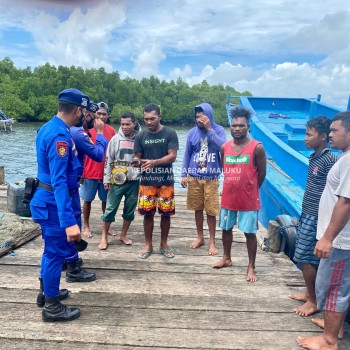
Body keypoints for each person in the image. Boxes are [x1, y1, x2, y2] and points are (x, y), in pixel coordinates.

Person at [30, 88, 89, 322]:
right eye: (83, 110)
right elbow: (59, 181)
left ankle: (46, 293)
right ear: (77, 109)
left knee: (49, 252)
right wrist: (69, 223)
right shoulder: (59, 137)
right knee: (54, 254)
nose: (83, 114)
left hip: (46, 201)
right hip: (53, 203)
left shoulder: (49, 127)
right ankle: (52, 308)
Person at [297, 111, 350, 350]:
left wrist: (328, 237)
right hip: (336, 236)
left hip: (340, 240)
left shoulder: (347, 161)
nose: (330, 135)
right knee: (336, 285)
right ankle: (335, 329)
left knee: (335, 286)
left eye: (335, 131)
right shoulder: (343, 158)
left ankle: (329, 341)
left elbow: (346, 201)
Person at [289, 116, 337, 317]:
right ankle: (310, 293)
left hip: (317, 216)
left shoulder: (329, 160)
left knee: (303, 258)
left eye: (309, 134)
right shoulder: (315, 157)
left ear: (324, 137)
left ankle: (315, 301)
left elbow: (334, 191)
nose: (305, 138)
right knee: (310, 258)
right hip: (307, 213)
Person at [213, 106, 266, 283]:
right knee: (226, 228)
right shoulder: (224, 147)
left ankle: (251, 266)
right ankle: (227, 257)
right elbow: (225, 170)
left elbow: (262, 174)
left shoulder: (257, 148)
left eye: (241, 125)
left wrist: (250, 189)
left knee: (249, 233)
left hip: (249, 201)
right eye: (234, 125)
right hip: (228, 197)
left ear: (248, 127)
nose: (237, 128)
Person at [133, 103, 179, 259]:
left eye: (152, 118)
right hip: (147, 181)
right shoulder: (141, 135)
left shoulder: (170, 133)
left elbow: (172, 156)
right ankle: (148, 244)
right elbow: (138, 156)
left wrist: (154, 162)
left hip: (166, 180)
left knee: (166, 214)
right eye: (146, 119)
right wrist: (136, 161)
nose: (149, 122)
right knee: (147, 214)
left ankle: (164, 243)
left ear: (160, 116)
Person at [181, 103, 226, 255]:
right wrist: (183, 174)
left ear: (209, 115)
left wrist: (209, 130)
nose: (199, 119)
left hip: (211, 178)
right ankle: (200, 237)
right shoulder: (192, 133)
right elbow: (187, 155)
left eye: (202, 116)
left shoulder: (218, 130)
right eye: (197, 116)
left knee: (211, 211)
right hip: (194, 177)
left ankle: (212, 241)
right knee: (197, 208)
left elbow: (224, 147)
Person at [99, 112, 141, 250]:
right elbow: (108, 160)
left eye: (128, 124)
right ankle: (104, 236)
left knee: (129, 210)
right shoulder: (115, 140)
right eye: (122, 124)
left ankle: (123, 235)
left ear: (134, 124)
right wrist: (106, 179)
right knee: (110, 209)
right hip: (116, 180)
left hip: (134, 181)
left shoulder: (140, 140)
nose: (125, 127)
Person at [80, 101, 115, 238]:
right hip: (89, 172)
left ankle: (106, 226)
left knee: (106, 201)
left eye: (104, 114)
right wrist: (81, 173)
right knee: (87, 200)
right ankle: (86, 226)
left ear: (108, 116)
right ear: (94, 114)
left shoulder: (111, 131)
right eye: (98, 113)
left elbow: (113, 152)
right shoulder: (87, 129)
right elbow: (81, 153)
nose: (101, 116)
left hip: (106, 173)